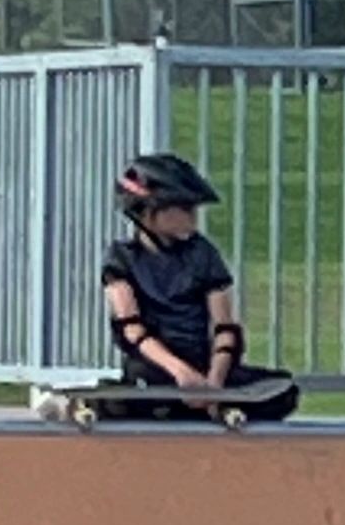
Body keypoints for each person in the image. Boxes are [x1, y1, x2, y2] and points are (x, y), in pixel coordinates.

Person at [102, 153, 298, 417]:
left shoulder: (203, 254)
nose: (193, 217)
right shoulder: (122, 259)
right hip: (157, 369)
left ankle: (209, 405)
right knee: (128, 398)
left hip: (205, 367)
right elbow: (131, 330)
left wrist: (214, 382)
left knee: (283, 390)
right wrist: (181, 373)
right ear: (148, 211)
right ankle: (174, 405)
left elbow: (225, 326)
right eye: (184, 208)